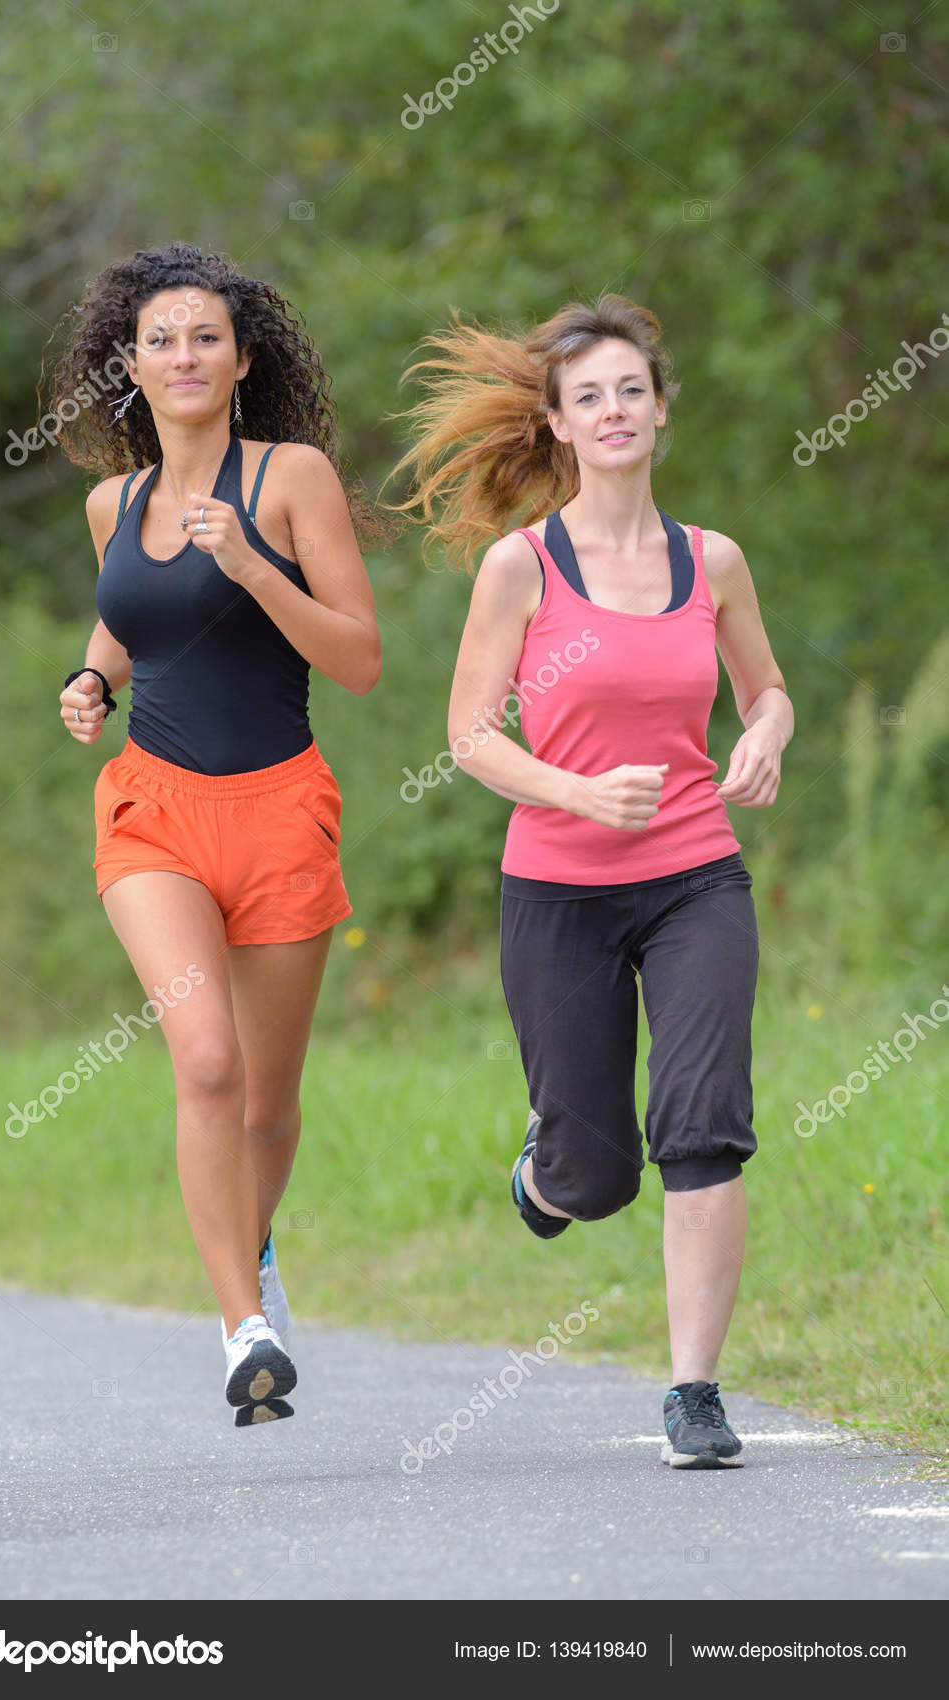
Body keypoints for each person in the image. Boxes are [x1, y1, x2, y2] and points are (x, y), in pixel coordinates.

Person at [390, 292, 792, 1467]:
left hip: (694, 877)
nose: (614, 410)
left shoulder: (710, 560)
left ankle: (694, 1393)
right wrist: (572, 791)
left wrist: (766, 730)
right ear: (558, 426)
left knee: (705, 1126)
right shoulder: (523, 568)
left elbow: (765, 687)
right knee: (599, 1173)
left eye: (632, 389)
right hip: (558, 886)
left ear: (662, 411)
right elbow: (468, 734)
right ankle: (552, 1167)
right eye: (588, 396)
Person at [47, 242, 381, 1426]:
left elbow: (358, 657)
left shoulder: (289, 478)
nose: (183, 355)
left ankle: (257, 1247)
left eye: (204, 336)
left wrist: (252, 565)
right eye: (159, 340)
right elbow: (134, 628)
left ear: (243, 358)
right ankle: (242, 1323)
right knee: (205, 1059)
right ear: (126, 368)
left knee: (265, 1107)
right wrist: (91, 681)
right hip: (155, 814)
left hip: (283, 806)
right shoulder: (114, 504)